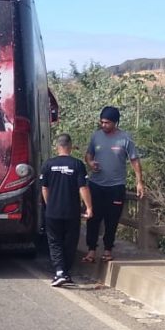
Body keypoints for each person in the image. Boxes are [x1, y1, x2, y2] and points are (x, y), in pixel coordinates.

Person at [83, 106, 145, 264]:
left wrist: (139, 182)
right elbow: (88, 155)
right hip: (96, 185)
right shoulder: (96, 136)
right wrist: (91, 163)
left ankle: (108, 249)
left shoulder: (125, 138)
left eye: (107, 123)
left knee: (112, 220)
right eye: (102, 122)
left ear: (115, 123)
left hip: (116, 186)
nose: (103, 125)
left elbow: (134, 160)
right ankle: (91, 250)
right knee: (93, 218)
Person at [41, 134, 94, 287]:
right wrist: (89, 207)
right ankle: (64, 272)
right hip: (72, 211)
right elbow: (83, 187)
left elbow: (44, 188)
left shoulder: (48, 164)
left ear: (57, 146)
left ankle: (60, 272)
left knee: (54, 241)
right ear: (70, 146)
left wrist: (49, 204)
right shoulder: (77, 164)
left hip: (53, 212)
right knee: (70, 242)